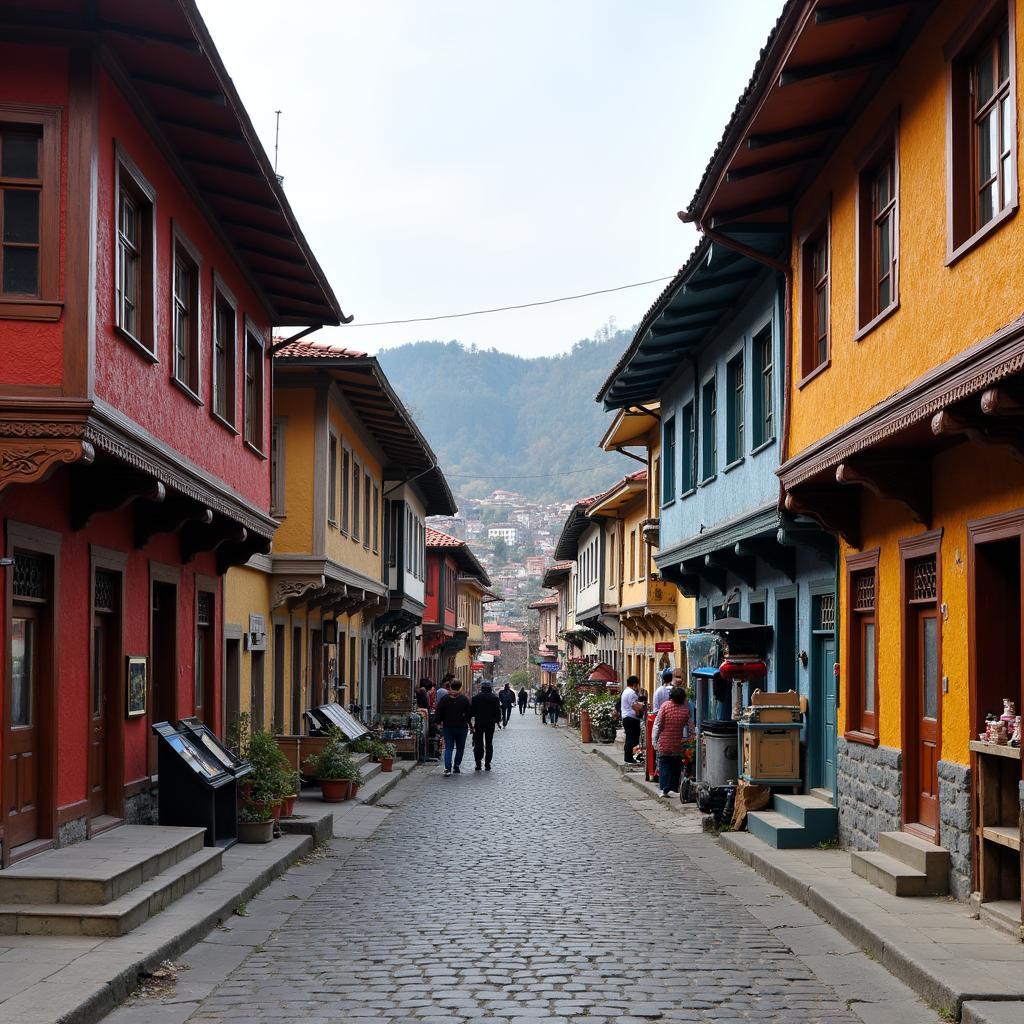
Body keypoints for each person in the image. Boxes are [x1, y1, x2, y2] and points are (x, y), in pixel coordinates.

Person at [652, 686, 693, 797]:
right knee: (676, 766)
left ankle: (664, 789)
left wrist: (654, 741)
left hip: (664, 743)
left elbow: (657, 724)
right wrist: (693, 737)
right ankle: (674, 788)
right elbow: (691, 726)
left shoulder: (665, 706)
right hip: (677, 744)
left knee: (664, 765)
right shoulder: (685, 709)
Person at [434, 679, 472, 776]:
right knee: (460, 748)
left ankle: (447, 768)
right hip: (461, 727)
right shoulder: (464, 699)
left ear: (450, 687)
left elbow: (439, 713)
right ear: (460, 687)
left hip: (448, 727)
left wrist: (438, 723)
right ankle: (456, 765)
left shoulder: (444, 699)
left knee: (449, 748)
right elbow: (469, 715)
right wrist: (471, 726)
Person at [471, 679, 502, 771]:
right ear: (490, 688)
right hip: (490, 724)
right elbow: (498, 712)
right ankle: (487, 763)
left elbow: (472, 712)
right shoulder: (495, 698)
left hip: (479, 723)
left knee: (478, 743)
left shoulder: (476, 698)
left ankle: (478, 763)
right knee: (489, 743)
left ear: (482, 688)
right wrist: (498, 721)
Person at [621, 675, 643, 764]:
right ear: (634, 684)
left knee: (629, 738)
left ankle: (629, 756)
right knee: (632, 738)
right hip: (631, 718)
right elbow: (634, 706)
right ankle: (630, 756)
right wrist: (642, 706)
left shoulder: (625, 691)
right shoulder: (631, 693)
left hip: (626, 717)